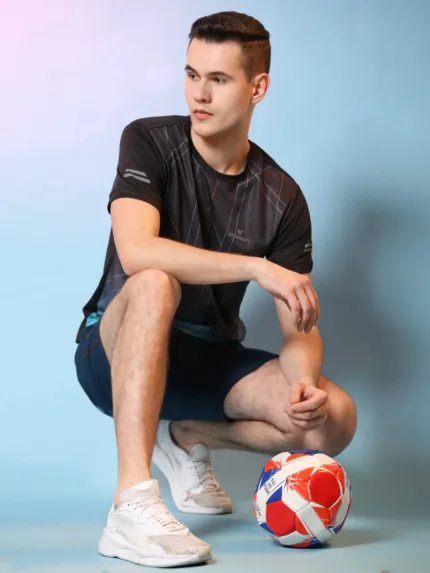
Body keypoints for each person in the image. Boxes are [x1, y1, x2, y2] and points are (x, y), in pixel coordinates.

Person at [74, 10, 357, 569]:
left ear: (258, 87)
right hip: (112, 352)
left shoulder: (282, 197)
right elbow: (137, 251)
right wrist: (256, 267)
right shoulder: (149, 140)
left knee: (335, 419)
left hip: (207, 360)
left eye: (219, 79)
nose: (198, 95)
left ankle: (186, 437)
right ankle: (131, 504)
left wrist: (303, 384)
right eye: (191, 74)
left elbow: (299, 327)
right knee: (155, 284)